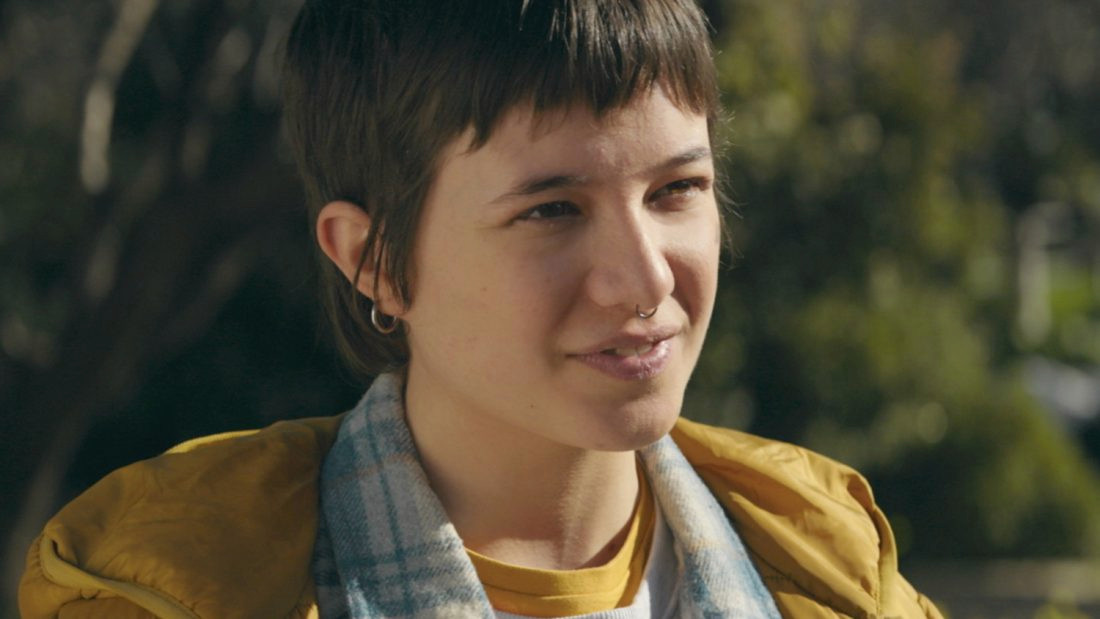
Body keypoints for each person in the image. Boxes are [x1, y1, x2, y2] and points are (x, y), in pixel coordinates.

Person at [19, 1, 943, 617]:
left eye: (676, 190)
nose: (644, 280)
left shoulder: (827, 571)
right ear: (373, 259)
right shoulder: (183, 588)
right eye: (552, 210)